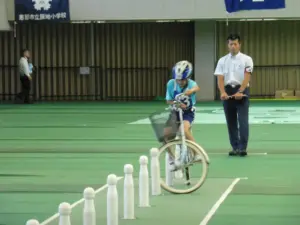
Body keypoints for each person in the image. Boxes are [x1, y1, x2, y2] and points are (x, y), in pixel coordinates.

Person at [214, 34, 254, 157]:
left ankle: (242, 148)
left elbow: (247, 77)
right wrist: (222, 92)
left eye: (235, 44)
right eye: (230, 44)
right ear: (228, 45)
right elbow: (220, 78)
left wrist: (240, 91)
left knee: (242, 121)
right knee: (230, 122)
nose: (233, 46)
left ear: (239, 44)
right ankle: (235, 147)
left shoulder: (247, 59)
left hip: (242, 91)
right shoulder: (222, 60)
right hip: (228, 92)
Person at [164, 60, 201, 170]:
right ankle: (172, 159)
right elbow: (169, 100)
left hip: (188, 113)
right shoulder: (171, 84)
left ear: (188, 77)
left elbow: (196, 87)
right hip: (175, 112)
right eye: (178, 79)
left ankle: (196, 153)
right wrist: (177, 104)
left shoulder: (191, 84)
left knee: (183, 130)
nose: (180, 82)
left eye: (183, 80)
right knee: (165, 136)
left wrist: (191, 91)